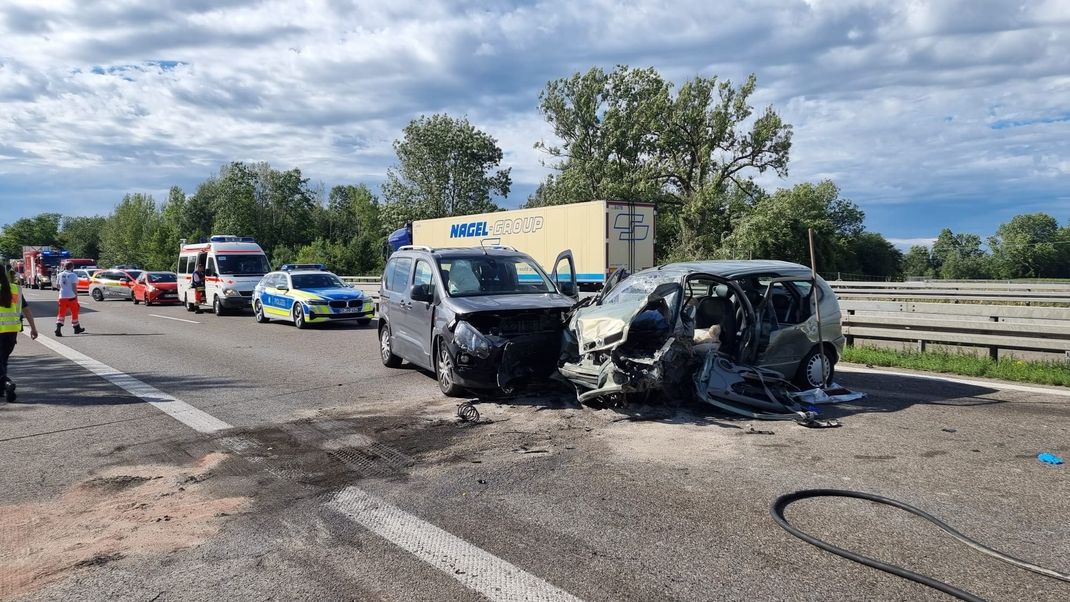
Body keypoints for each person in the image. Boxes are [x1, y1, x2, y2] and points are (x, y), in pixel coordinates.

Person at [1, 266, 39, 403]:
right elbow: (26, 310)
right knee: (2, 361)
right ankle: (3, 390)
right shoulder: (15, 289)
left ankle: (7, 384)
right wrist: (33, 328)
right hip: (11, 332)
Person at [55, 264, 85, 337]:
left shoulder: (60, 275)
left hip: (62, 297)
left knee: (61, 313)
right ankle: (76, 328)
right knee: (74, 312)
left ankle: (58, 328)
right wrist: (76, 296)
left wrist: (63, 289)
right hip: (71, 296)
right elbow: (74, 287)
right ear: (72, 267)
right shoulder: (73, 275)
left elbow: (57, 286)